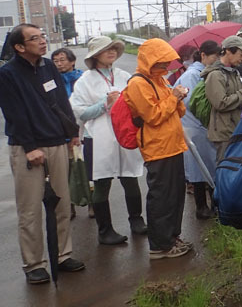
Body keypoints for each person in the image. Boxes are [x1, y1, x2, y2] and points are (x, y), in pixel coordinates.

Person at [0, 24, 85, 284]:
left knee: (61, 200)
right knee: (30, 209)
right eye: (34, 38)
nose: (42, 41)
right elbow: (14, 114)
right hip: (28, 148)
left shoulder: (49, 67)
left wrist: (71, 132)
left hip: (57, 142)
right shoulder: (8, 74)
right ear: (19, 47)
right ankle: (34, 263)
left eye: (42, 36)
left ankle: (62, 254)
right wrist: (29, 147)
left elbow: (61, 101)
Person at [70, 36, 147, 244]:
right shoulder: (85, 80)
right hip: (98, 137)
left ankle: (137, 220)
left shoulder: (124, 76)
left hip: (124, 134)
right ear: (95, 55)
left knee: (130, 177)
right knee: (102, 182)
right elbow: (79, 113)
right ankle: (105, 231)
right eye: (106, 50)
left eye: (114, 48)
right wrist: (105, 103)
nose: (111, 52)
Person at [124, 38, 193, 260]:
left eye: (166, 63)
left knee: (175, 196)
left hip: (172, 145)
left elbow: (178, 112)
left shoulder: (160, 81)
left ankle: (172, 237)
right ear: (149, 60)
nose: (165, 68)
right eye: (161, 63)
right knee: (162, 197)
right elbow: (153, 116)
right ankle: (159, 245)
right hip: (157, 147)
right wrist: (173, 98)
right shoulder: (138, 83)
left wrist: (178, 97)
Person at [178, 40, 220, 219]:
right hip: (195, 126)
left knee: (207, 165)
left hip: (198, 126)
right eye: (214, 57)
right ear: (203, 55)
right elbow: (194, 102)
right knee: (200, 167)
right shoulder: (192, 75)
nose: (216, 60)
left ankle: (212, 206)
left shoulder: (199, 72)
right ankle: (202, 208)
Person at [202, 35, 242, 162]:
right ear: (229, 51)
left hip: (235, 129)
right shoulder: (215, 75)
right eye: (241, 55)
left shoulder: (233, 72)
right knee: (226, 169)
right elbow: (221, 103)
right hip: (224, 135)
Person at [52, 46, 86, 219]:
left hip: (83, 128)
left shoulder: (82, 79)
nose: (58, 64)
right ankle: (69, 204)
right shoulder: (51, 81)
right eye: (55, 61)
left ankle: (90, 202)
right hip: (61, 132)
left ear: (72, 61)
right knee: (65, 170)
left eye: (62, 60)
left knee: (85, 167)